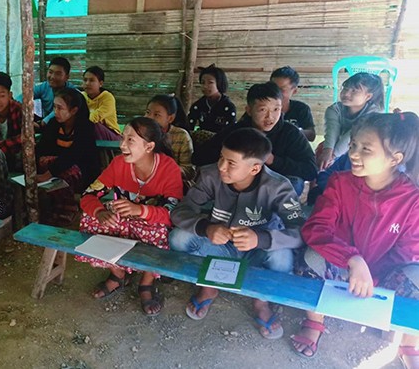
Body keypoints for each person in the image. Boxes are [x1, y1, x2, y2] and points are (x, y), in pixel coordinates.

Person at [291, 112, 419, 366]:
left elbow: (410, 250)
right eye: (353, 146)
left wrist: (372, 275)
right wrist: (352, 259)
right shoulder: (340, 183)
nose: (354, 154)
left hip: (384, 272)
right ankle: (315, 321)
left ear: (395, 159)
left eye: (366, 149)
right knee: (310, 258)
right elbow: (316, 228)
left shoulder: (411, 199)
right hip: (343, 265)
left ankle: (407, 338)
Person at [171, 128, 304, 339]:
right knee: (178, 238)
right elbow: (180, 211)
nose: (222, 166)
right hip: (220, 246)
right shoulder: (210, 175)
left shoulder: (278, 187)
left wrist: (260, 238)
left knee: (282, 257)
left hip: (257, 252)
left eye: (231, 163)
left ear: (254, 168)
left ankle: (261, 300)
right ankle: (209, 286)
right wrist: (206, 228)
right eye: (221, 157)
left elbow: (300, 231)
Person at [78, 117, 183, 316]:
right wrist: (99, 212)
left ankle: (147, 281)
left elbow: (173, 214)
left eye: (130, 140)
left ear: (149, 146)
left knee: (159, 232)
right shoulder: (119, 164)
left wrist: (140, 211)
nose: (122, 144)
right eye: (122, 138)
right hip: (126, 220)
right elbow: (88, 195)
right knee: (90, 219)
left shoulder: (168, 168)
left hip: (153, 222)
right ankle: (118, 274)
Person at [192, 81, 317, 194]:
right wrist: (232, 157)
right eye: (263, 110)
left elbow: (310, 170)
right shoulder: (237, 131)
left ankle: (278, 217)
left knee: (294, 182)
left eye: (276, 109)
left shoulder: (290, 133)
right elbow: (199, 157)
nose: (270, 117)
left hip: (274, 188)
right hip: (241, 185)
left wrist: (273, 161)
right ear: (249, 110)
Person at [36, 87, 99, 226]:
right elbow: (42, 148)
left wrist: (48, 174)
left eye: (60, 108)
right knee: (44, 160)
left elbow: (75, 155)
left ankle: (67, 210)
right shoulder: (54, 124)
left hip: (82, 172)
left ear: (74, 110)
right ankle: (53, 209)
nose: (55, 112)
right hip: (57, 167)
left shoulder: (85, 127)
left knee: (68, 172)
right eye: (54, 107)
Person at [317, 72, 384, 170]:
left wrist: (333, 157)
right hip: (336, 145)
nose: (346, 93)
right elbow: (332, 130)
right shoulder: (334, 109)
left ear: (368, 96)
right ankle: (316, 183)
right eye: (345, 88)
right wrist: (327, 152)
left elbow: (351, 135)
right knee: (321, 153)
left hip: (360, 148)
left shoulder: (373, 113)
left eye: (354, 91)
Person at [145, 94, 195, 182]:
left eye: (157, 115)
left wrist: (165, 169)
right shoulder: (141, 134)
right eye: (148, 112)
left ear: (170, 118)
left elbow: (189, 171)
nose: (149, 118)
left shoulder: (181, 136)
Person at [16, 56, 77, 127]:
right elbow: (22, 98)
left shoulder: (72, 92)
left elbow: (56, 112)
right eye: (50, 72)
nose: (52, 77)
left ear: (67, 77)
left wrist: (42, 123)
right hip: (44, 123)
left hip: (63, 125)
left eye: (58, 74)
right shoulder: (44, 86)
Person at [270, 66, 316, 141]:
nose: (276, 92)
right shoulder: (260, 107)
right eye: (273, 88)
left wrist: (292, 132)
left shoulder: (301, 108)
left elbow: (311, 135)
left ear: (294, 91)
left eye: (282, 89)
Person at [187, 64, 236, 133]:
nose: (205, 86)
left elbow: (232, 131)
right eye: (202, 82)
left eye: (210, 82)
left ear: (219, 83)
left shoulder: (228, 107)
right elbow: (189, 126)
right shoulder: (198, 106)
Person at [81, 65, 122, 140]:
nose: (87, 83)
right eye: (85, 80)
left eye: (91, 80)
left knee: (94, 125)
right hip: (90, 132)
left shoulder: (107, 97)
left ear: (101, 83)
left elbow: (95, 117)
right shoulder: (81, 96)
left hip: (112, 135)